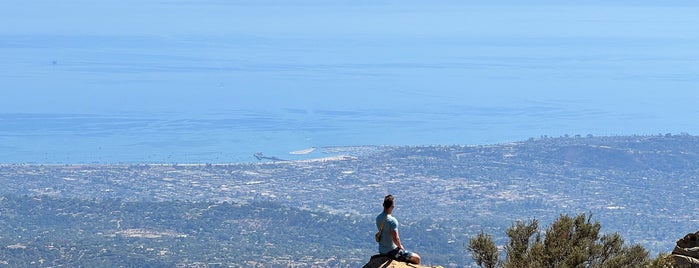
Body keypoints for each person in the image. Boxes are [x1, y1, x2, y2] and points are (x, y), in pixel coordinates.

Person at [375, 195, 421, 265]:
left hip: (382, 250)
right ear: (392, 207)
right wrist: (400, 247)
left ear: (383, 205)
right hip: (392, 252)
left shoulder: (378, 218)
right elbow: (396, 238)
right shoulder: (392, 221)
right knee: (417, 258)